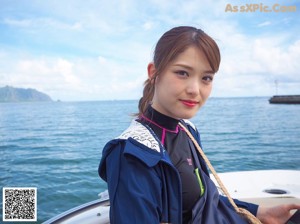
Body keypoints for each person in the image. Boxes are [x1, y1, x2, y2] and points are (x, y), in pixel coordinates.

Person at [98, 26, 300, 223]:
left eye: (206, 78)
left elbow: (205, 201)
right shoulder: (133, 153)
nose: (195, 89)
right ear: (153, 73)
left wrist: (259, 212)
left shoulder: (188, 131)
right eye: (182, 73)